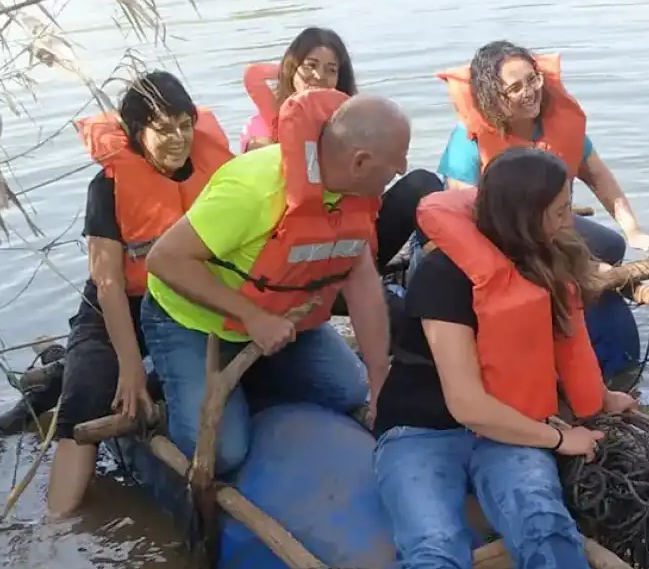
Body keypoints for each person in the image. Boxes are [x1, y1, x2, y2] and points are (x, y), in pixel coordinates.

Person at [373, 145, 649, 569]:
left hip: (507, 429)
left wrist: (598, 399)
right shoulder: (442, 276)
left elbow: (549, 348)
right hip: (423, 432)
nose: (567, 219)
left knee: (542, 520)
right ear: (522, 214)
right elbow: (468, 402)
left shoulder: (543, 262)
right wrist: (560, 434)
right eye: (556, 210)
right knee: (436, 551)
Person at [142, 90, 410, 475]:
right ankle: (171, 398)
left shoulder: (354, 194)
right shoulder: (256, 189)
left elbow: (362, 280)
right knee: (223, 454)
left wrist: (379, 376)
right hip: (192, 321)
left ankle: (252, 379)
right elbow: (164, 259)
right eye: (395, 163)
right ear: (360, 161)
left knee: (349, 390)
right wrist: (253, 317)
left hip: (278, 320)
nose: (401, 171)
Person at [46, 71, 234, 517]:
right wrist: (129, 366)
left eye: (185, 125)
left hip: (187, 301)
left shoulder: (219, 175)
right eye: (163, 128)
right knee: (89, 390)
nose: (178, 138)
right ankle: (57, 522)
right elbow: (108, 281)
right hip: (121, 308)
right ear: (135, 133)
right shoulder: (108, 187)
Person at [435, 40, 649, 266]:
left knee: (612, 246)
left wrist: (634, 232)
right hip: (495, 239)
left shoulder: (561, 127)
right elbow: (469, 217)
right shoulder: (469, 138)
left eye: (532, 80)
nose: (529, 93)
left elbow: (600, 178)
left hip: (550, 228)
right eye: (515, 88)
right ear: (491, 98)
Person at [241, 26, 441, 273]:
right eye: (310, 65)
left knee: (423, 184)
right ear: (292, 69)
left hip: (354, 241)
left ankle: (425, 271)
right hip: (294, 256)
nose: (318, 76)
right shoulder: (261, 128)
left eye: (331, 70)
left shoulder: (351, 121)